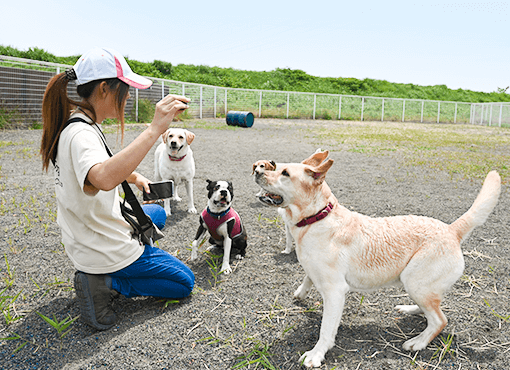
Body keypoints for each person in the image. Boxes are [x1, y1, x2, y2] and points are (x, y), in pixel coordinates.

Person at [40, 47, 195, 330]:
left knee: (157, 216)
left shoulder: (77, 122)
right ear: (103, 88)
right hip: (101, 247)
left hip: (82, 232)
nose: (127, 97)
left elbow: (95, 169)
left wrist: (135, 177)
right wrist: (153, 130)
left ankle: (111, 269)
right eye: (124, 90)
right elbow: (102, 177)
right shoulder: (82, 134)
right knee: (184, 282)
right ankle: (107, 282)